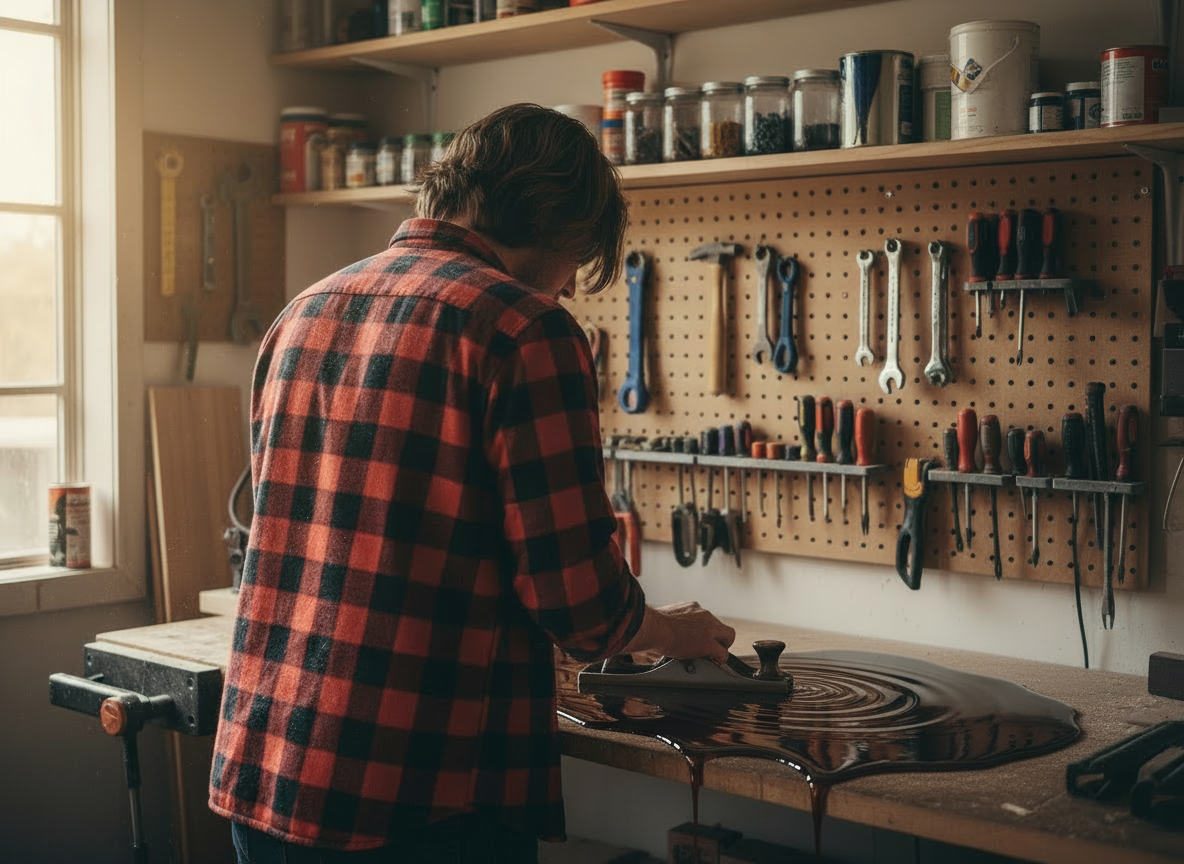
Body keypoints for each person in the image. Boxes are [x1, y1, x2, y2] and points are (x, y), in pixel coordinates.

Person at [209, 103, 736, 864]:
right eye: (575, 264)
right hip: (417, 797)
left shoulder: (301, 314)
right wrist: (669, 631)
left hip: (268, 769)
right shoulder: (527, 331)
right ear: (561, 230)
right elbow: (580, 606)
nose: (567, 290)